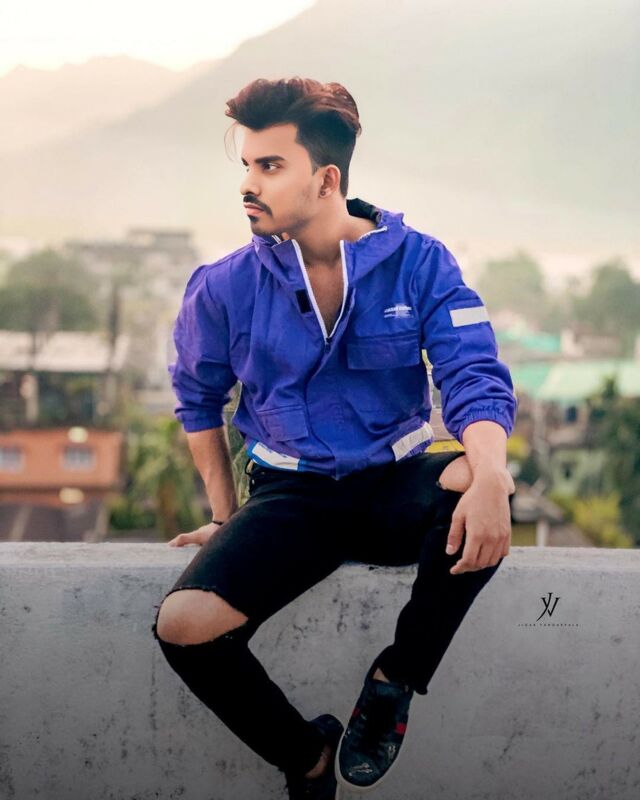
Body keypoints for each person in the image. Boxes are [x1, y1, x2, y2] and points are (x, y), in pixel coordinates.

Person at [151, 76, 517, 800]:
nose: (248, 185)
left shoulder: (420, 263)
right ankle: (308, 755)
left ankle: (395, 677)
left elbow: (472, 374)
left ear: (325, 179)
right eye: (246, 166)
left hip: (394, 483)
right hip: (293, 498)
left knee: (480, 488)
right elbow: (198, 399)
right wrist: (225, 516)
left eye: (269, 166)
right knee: (183, 626)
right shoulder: (223, 286)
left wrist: (494, 474)